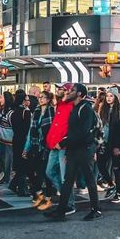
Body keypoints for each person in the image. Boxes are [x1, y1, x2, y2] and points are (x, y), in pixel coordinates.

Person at [46, 83, 102, 221]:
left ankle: (96, 210)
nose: (69, 92)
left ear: (79, 94)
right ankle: (61, 211)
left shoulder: (86, 109)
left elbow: (82, 133)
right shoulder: (75, 107)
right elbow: (73, 131)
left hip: (85, 150)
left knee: (89, 180)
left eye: (72, 90)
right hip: (74, 150)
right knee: (68, 181)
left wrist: (64, 142)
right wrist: (67, 150)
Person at [45, 83, 76, 216]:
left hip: (63, 146)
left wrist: (64, 142)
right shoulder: (59, 105)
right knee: (50, 172)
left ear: (68, 91)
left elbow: (72, 129)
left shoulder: (72, 106)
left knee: (65, 177)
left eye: (61, 89)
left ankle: (69, 203)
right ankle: (65, 198)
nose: (58, 90)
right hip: (54, 145)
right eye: (58, 88)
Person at [24, 90, 54, 211]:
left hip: (47, 146)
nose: (41, 99)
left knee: (45, 172)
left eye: (43, 97)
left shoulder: (51, 111)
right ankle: (40, 193)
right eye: (40, 97)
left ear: (48, 99)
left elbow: (52, 130)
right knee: (31, 170)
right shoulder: (35, 111)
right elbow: (30, 132)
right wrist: (27, 148)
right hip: (36, 145)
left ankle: (47, 196)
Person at [97, 87, 120, 203]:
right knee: (101, 165)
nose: (108, 98)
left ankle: (118, 192)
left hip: (115, 145)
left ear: (116, 97)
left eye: (111, 96)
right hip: (104, 143)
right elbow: (99, 127)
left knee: (116, 168)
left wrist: (119, 147)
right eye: (107, 96)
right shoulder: (102, 109)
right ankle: (111, 184)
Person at [9, 90, 31, 195]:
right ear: (23, 101)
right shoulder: (26, 112)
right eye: (27, 100)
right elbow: (28, 129)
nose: (29, 102)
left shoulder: (13, 112)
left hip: (15, 139)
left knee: (19, 162)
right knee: (23, 164)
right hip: (23, 140)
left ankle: (13, 184)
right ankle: (22, 189)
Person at [0, 91, 14, 184]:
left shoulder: (10, 113)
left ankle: (6, 179)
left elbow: (14, 127)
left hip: (9, 142)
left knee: (7, 162)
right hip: (2, 140)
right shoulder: (1, 110)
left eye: (1, 98)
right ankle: (2, 175)